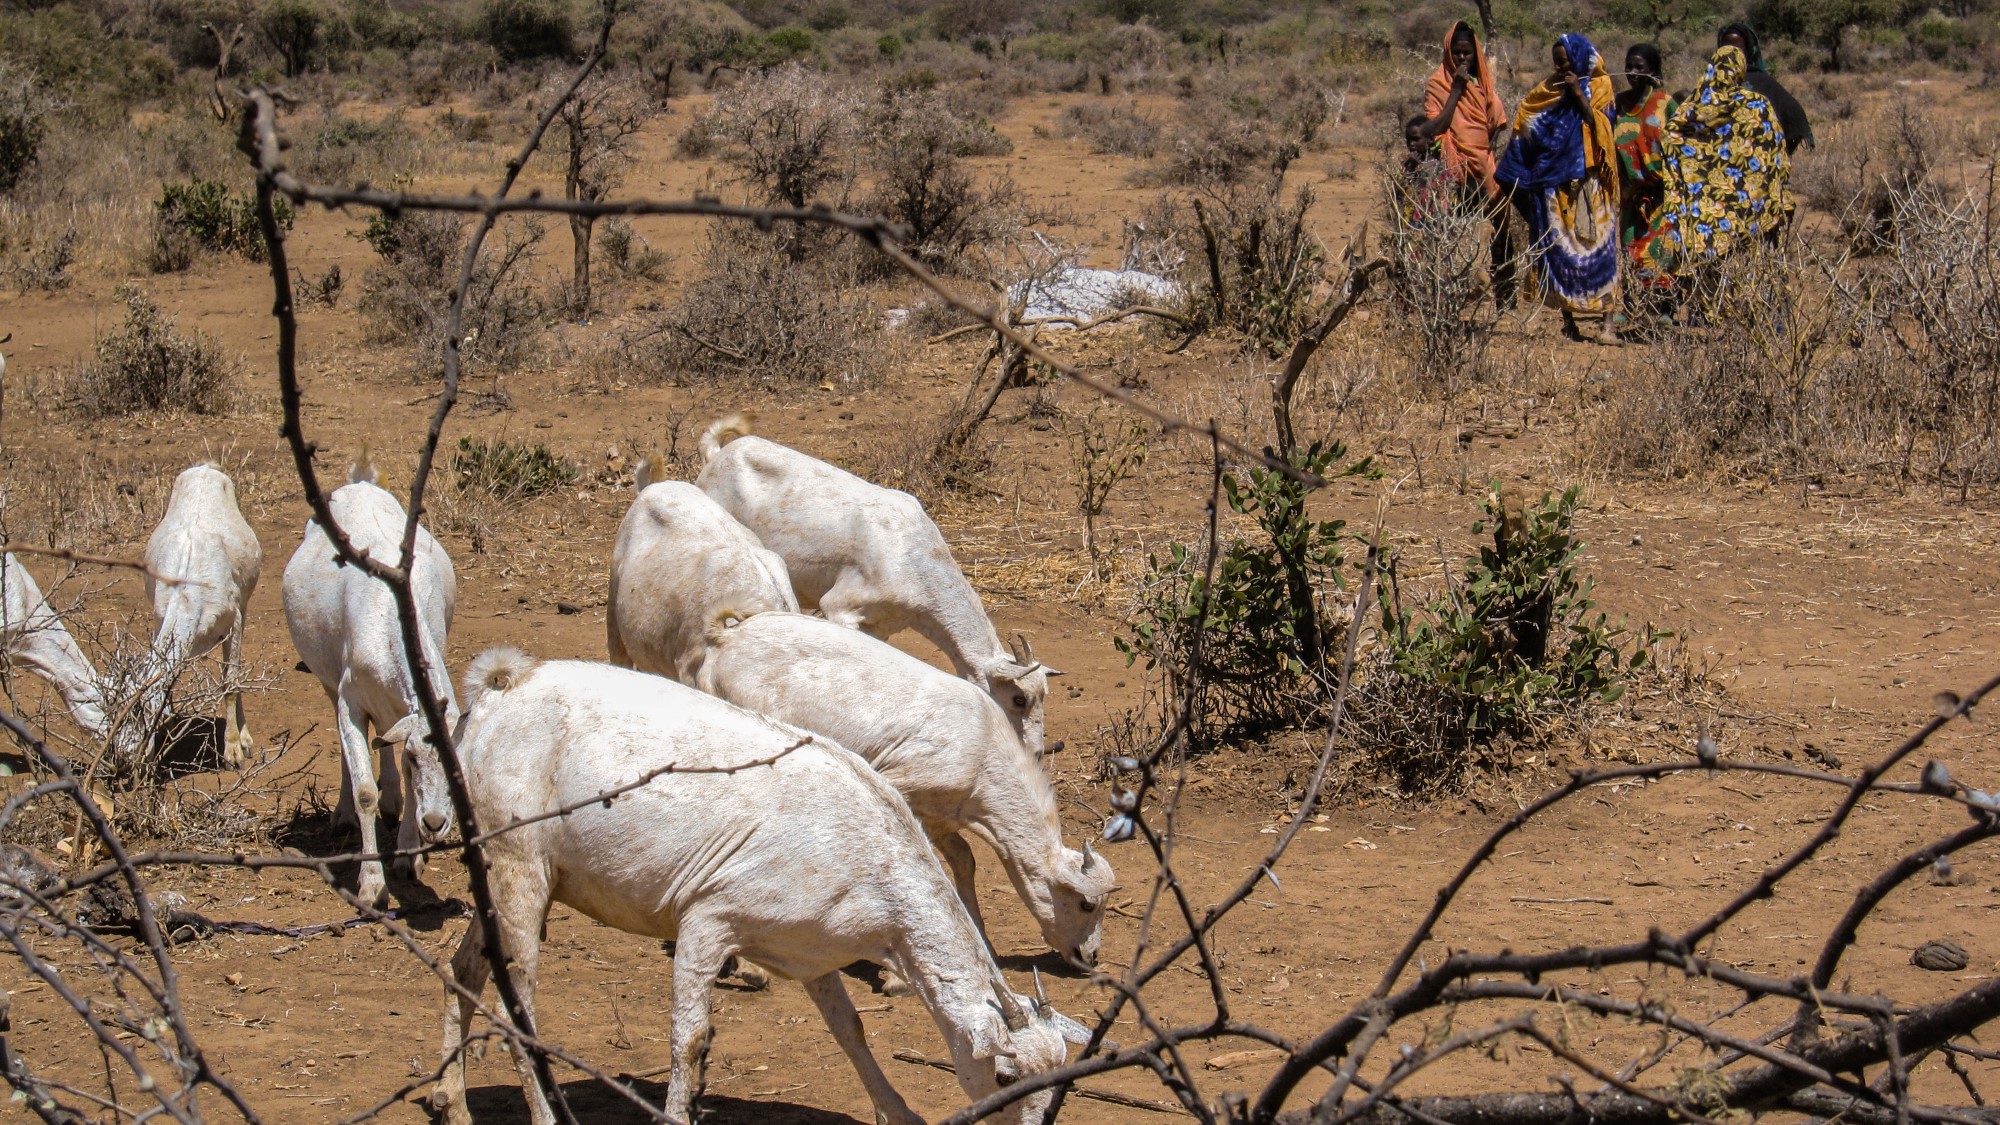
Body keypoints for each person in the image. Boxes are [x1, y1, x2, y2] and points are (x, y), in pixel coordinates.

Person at [1495, 33, 1622, 344]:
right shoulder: (1546, 93)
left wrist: (1579, 95)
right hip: (1554, 184)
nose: (1560, 68)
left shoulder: (1601, 87)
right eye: (1556, 63)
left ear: (1580, 59)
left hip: (1591, 183)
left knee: (1602, 254)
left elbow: (1604, 127)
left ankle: (1608, 325)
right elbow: (1527, 119)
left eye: (1565, 63)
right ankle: (1569, 322)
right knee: (1560, 253)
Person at [1661, 44, 1793, 278]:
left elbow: (1671, 139)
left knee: (1708, 282)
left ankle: (1706, 313)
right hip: (1749, 214)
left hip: (1704, 221)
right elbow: (1775, 155)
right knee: (1745, 277)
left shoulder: (1692, 109)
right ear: (1740, 71)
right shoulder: (1758, 106)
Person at [1415, 21, 1516, 306]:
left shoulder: (1483, 82)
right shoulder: (1438, 83)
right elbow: (1434, 127)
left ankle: (1506, 296)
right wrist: (1456, 89)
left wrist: (1480, 149)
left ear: (1475, 53)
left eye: (1467, 53)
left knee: (1500, 227)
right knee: (1457, 231)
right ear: (1448, 52)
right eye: (1457, 53)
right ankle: (1455, 295)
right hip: (1452, 167)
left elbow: (1496, 121)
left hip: (1483, 165)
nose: (1462, 58)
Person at [1614, 43, 1680, 321]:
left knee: (1663, 251)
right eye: (1629, 65)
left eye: (1639, 67)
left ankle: (1665, 308)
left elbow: (1681, 145)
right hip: (1630, 192)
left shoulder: (1666, 103)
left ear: (1652, 70)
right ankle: (1630, 306)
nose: (1632, 72)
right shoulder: (1618, 104)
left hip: (1661, 193)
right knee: (1631, 247)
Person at [1717, 21, 1812, 153]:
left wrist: (1779, 153)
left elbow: (1793, 113)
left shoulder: (1763, 83)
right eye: (1726, 48)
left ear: (1748, 50)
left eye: (1737, 49)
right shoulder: (1710, 82)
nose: (1731, 55)